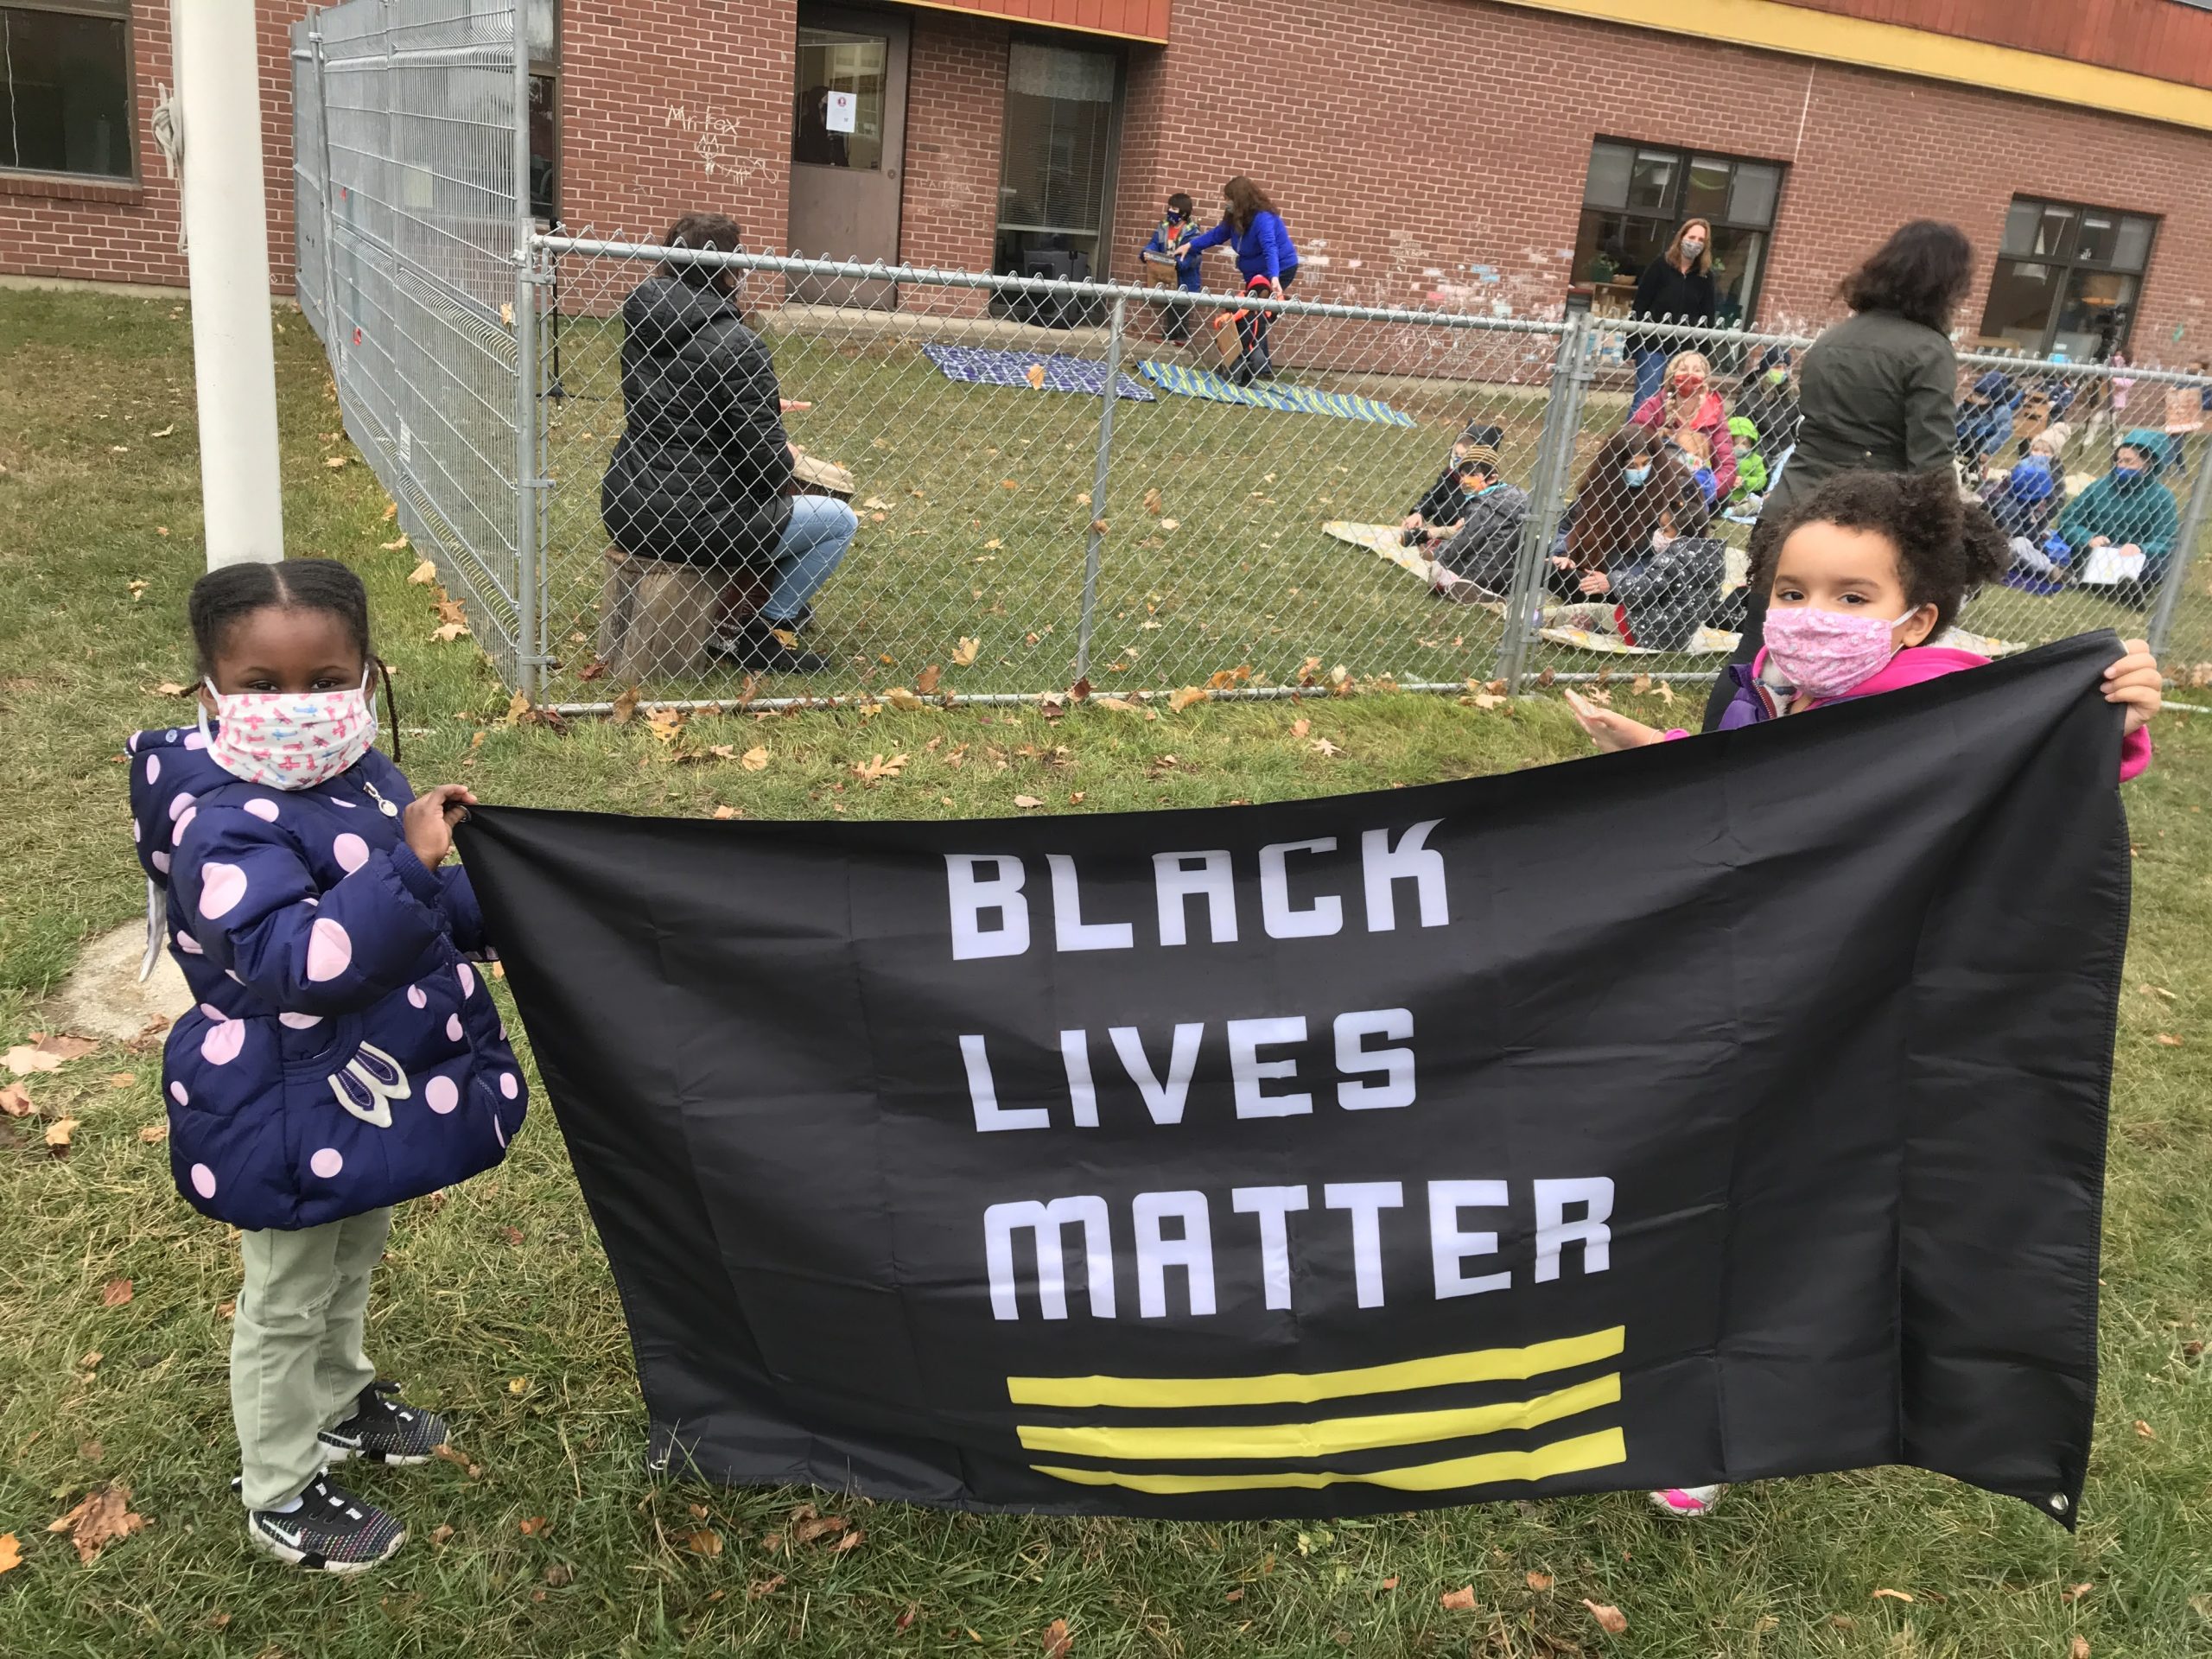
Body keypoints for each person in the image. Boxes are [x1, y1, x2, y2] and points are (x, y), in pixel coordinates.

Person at [130, 559, 528, 1572]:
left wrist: (501, 887)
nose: (295, 707)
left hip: (364, 1083)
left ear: (366, 676)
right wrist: (409, 861)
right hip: (281, 1103)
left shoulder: (364, 775)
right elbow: (298, 961)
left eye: (325, 679)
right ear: (211, 688)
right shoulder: (222, 816)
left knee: (352, 1255)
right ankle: (278, 1486)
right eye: (261, 685)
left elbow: (419, 911)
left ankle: (344, 1400)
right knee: (288, 1292)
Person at [1567, 467, 2158, 771]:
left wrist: (2107, 728)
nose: (1812, 616)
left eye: (1852, 598)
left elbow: (2018, 781)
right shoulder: (1770, 685)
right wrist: (1650, 743)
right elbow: (1735, 776)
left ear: (1916, 623)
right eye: (1792, 593)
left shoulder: (1934, 717)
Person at [1702, 221, 1974, 730]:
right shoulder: (1927, 350)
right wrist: (1950, 540)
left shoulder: (1834, 339)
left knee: (1758, 651)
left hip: (1793, 508)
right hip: (1867, 527)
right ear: (1947, 284)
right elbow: (1932, 458)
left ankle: (1708, 753)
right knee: (1861, 671)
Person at [601, 213, 857, 672]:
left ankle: (732, 614)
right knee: (839, 519)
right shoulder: (740, 344)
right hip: (694, 519)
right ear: (728, 269)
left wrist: (756, 405)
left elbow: (680, 405)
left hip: (627, 504)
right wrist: (787, 452)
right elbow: (766, 466)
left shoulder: (643, 323)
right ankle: (763, 630)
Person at [1185, 176, 1300, 385]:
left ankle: (1257, 366)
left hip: (1279, 269)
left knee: (1254, 314)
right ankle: (1258, 365)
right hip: (1255, 275)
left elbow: (1270, 247)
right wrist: (1191, 246)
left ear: (1241, 200)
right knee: (1252, 315)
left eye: (1229, 199)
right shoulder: (1235, 218)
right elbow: (1218, 235)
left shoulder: (1263, 218)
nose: (1226, 203)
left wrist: (1274, 278)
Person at [2057, 429, 2183, 608]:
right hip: (2099, 551)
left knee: (2157, 564)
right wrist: (2088, 538)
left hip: (2135, 557)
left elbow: (2165, 540)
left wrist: (2140, 548)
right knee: (2089, 556)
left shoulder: (2163, 497)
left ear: (2148, 463)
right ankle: (2118, 587)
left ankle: (2113, 585)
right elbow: (2068, 521)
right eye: (2119, 460)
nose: (2121, 465)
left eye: (2129, 461)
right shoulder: (2099, 487)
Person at [1423, 431, 1530, 601]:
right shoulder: (1517, 498)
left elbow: (1467, 541)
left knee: (1442, 563)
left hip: (1479, 568)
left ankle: (1454, 583)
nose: (1464, 480)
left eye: (1472, 475)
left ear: (1492, 478)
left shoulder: (1483, 505)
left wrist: (1440, 554)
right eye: (1463, 475)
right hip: (1507, 569)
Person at [1626, 220, 1719, 409]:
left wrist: (1702, 353)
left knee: (1678, 404)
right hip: (1653, 346)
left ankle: (1668, 439)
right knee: (1645, 402)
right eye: (1691, 237)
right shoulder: (1660, 266)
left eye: (1700, 239)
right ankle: (1635, 437)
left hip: (1685, 351)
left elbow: (1707, 316)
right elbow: (1641, 304)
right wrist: (1631, 345)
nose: (1695, 243)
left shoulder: (1706, 276)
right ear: (1681, 238)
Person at [1630, 350, 1738, 502]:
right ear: (1672, 378)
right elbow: (1633, 445)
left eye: (1697, 370)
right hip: (1656, 485)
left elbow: (1727, 466)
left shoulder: (1715, 412)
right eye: (1683, 369)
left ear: (1705, 379)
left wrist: (1709, 488)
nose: (1689, 375)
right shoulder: (1652, 407)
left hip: (1699, 489)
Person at [1402, 422, 1506, 544]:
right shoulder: (1450, 475)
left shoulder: (1488, 490)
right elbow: (1432, 497)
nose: (1457, 460)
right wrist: (1418, 512)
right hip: (1439, 527)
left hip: (1458, 537)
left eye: (1465, 456)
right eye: (1456, 454)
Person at [1139, 192, 1204, 344]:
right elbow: (1154, 243)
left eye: (1174, 208)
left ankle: (1181, 336)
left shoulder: (1193, 231)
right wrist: (1147, 253)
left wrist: (1179, 263)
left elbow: (1193, 256)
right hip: (1166, 273)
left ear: (1184, 212)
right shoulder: (1164, 226)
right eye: (1169, 208)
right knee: (1169, 303)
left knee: (1181, 304)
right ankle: (1171, 334)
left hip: (1185, 277)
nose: (1170, 211)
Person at [1733, 346, 1799, 472]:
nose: (1782, 371)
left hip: (1786, 458)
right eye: (1777, 367)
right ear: (1766, 369)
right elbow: (1741, 438)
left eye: (1786, 367)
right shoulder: (1748, 398)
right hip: (1758, 458)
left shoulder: (1792, 398)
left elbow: (1794, 434)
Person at [1955, 370, 2017, 475]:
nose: (1977, 398)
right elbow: (1956, 418)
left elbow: (2003, 432)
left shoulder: (2001, 410)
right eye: (1976, 394)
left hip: (1979, 446)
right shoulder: (1968, 404)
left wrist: (1987, 450)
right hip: (1959, 440)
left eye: (1983, 396)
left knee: (1974, 474)